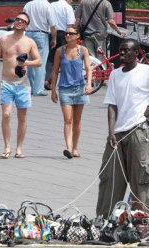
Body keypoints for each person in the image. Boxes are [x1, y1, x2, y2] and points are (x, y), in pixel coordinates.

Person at [95, 39, 149, 218]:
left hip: (138, 130)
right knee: (110, 179)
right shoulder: (115, 75)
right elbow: (112, 105)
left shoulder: (147, 72)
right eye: (121, 50)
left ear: (136, 53)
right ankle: (105, 219)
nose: (123, 54)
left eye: (127, 51)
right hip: (117, 134)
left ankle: (140, 220)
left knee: (140, 179)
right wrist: (111, 132)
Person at [0, 11, 42, 159]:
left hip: (23, 84)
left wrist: (27, 63)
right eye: (17, 19)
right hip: (6, 82)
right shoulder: (4, 40)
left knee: (22, 117)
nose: (19, 22)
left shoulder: (29, 42)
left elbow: (39, 61)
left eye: (22, 21)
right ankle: (7, 145)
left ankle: (19, 148)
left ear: (26, 26)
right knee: (6, 114)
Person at [51, 26, 92, 159]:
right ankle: (68, 147)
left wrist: (89, 84)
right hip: (64, 88)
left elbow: (88, 68)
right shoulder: (60, 51)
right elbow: (55, 70)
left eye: (71, 33)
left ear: (78, 36)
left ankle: (75, 147)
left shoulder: (83, 50)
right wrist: (53, 89)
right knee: (68, 119)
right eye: (66, 33)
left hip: (79, 87)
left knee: (77, 119)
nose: (67, 35)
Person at [23, 0, 57, 96]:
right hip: (41, 34)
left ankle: (32, 87)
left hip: (28, 33)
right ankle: (38, 89)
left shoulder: (28, 4)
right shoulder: (47, 5)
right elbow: (52, 24)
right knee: (40, 62)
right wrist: (54, 38)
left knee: (30, 62)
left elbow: (23, 20)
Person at [45, 0, 76, 89]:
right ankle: (67, 80)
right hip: (63, 34)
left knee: (51, 58)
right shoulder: (67, 7)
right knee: (65, 57)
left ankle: (48, 80)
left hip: (51, 33)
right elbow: (70, 24)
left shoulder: (51, 5)